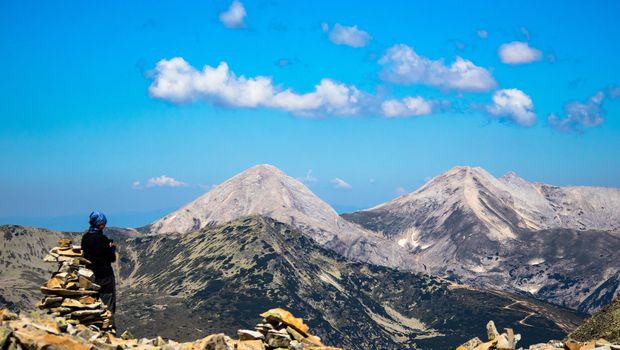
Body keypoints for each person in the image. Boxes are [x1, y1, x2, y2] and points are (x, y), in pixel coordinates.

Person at [81, 211, 117, 330]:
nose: (104, 225)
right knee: (107, 306)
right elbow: (111, 258)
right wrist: (111, 248)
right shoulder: (103, 239)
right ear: (100, 224)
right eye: (103, 223)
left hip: (90, 277)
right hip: (105, 277)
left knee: (93, 304)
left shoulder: (85, 238)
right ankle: (108, 331)